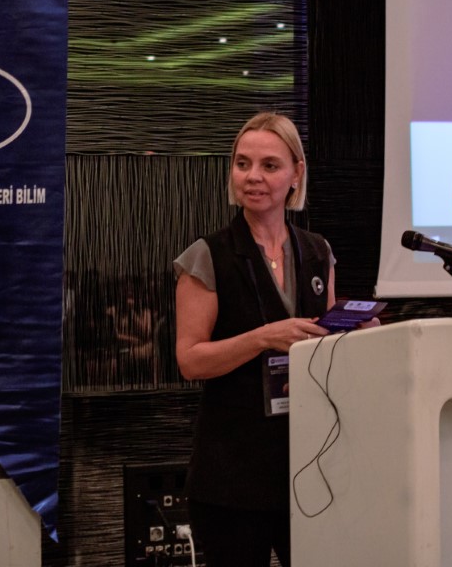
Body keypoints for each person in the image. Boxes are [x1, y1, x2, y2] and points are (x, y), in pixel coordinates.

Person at [174, 112, 335, 567]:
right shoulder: (207, 255)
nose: (253, 177)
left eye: (269, 165)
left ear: (296, 173)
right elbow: (190, 360)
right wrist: (262, 338)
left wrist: (357, 334)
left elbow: (324, 347)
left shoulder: (318, 252)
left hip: (308, 467)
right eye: (242, 164)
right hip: (232, 476)